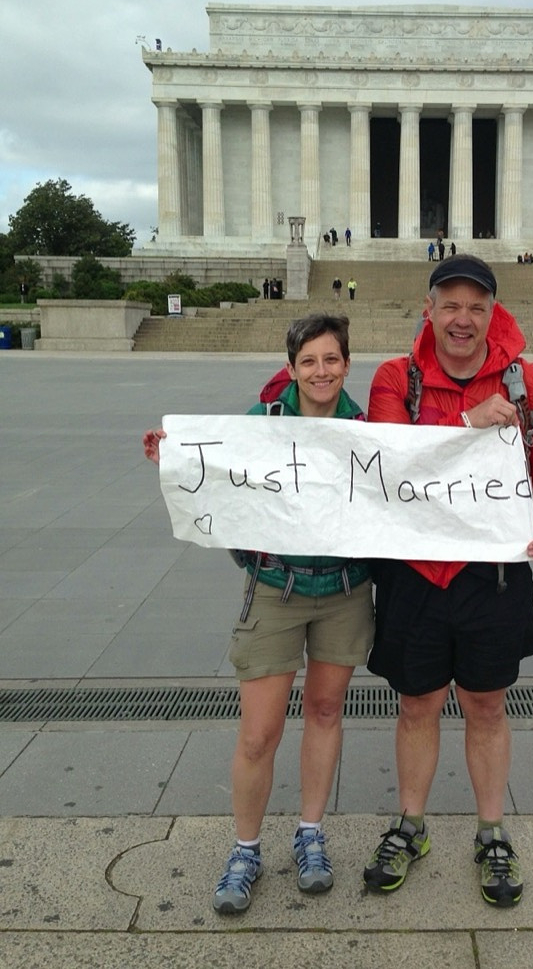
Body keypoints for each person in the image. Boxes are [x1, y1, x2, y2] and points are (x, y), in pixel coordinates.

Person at [142, 314, 374, 913]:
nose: (321, 372)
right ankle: (245, 848)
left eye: (331, 360)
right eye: (309, 362)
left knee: (325, 711)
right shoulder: (262, 424)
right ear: (292, 367)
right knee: (258, 732)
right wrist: (176, 460)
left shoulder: (369, 430)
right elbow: (216, 471)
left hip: (346, 591)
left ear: (347, 364)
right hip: (276, 589)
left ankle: (310, 834)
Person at [362, 255, 533, 908]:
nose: (462, 319)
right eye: (450, 305)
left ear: (492, 313)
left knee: (487, 705)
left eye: (475, 307)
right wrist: (464, 422)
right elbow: (388, 460)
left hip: (493, 573)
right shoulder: (397, 378)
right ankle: (412, 825)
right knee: (417, 704)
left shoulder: (525, 381)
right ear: (428, 309)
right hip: (416, 574)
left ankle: (491, 833)